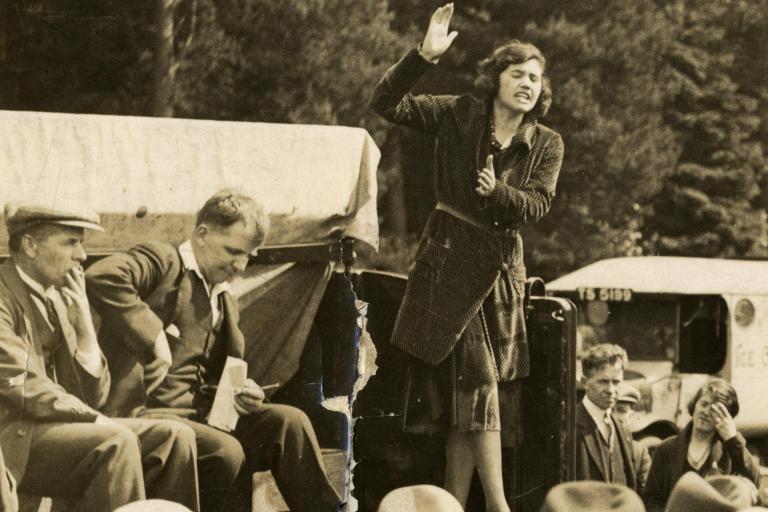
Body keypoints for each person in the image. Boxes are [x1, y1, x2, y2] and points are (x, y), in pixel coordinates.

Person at [371, 4, 564, 511]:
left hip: (500, 273)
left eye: (535, 78)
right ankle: (499, 506)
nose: (527, 84)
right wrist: (423, 55)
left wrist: (499, 194)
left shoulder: (547, 143)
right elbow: (386, 102)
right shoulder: (460, 112)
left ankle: (452, 502)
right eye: (517, 74)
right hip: (447, 261)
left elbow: (538, 204)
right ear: (495, 78)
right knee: (478, 382)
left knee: (470, 395)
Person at [85, 189, 341, 512]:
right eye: (232, 251)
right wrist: (153, 335)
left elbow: (220, 373)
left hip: (204, 418)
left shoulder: (224, 298)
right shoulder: (163, 261)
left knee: (289, 422)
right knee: (225, 451)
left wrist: (244, 391)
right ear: (202, 234)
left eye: (248, 256)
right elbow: (102, 275)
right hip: (146, 416)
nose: (240, 265)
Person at [0, 203, 199, 512]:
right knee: (115, 441)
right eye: (70, 242)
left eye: (81, 243)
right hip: (13, 438)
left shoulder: (58, 297)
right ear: (30, 245)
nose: (81, 255)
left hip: (54, 427)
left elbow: (94, 397)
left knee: (175, 437)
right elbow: (22, 383)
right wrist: (90, 417)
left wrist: (84, 328)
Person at [643, 378, 760, 512]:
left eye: (715, 410)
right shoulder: (667, 448)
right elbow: (652, 500)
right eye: (704, 404)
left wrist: (733, 440)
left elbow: (755, 481)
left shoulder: (728, 452)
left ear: (727, 417)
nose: (706, 412)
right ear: (694, 405)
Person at [575, 344, 637, 489]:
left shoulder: (622, 430)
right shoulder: (570, 426)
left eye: (616, 382)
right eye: (603, 381)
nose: (610, 390)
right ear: (585, 382)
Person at [615, 382, 652, 493]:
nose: (613, 416)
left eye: (621, 411)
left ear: (630, 416)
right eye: (610, 410)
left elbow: (648, 494)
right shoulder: (589, 444)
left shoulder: (638, 452)